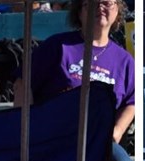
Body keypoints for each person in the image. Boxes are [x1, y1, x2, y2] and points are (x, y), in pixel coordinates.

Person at [18, 0, 134, 144]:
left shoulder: (124, 60)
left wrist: (116, 132)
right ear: (79, 13)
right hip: (54, 137)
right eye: (91, 4)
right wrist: (28, 127)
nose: (99, 8)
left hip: (98, 141)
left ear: (117, 10)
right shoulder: (58, 46)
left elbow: (132, 101)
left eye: (106, 3)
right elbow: (22, 83)